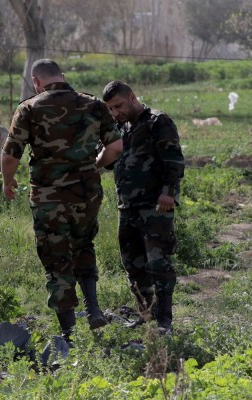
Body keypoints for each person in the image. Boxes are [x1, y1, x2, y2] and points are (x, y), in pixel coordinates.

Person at [1, 59, 123, 343]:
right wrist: (95, 166)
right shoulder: (94, 105)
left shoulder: (29, 108)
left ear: (36, 81)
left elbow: (10, 155)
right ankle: (93, 307)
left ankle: (69, 334)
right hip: (87, 194)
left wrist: (8, 182)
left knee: (57, 260)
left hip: (48, 198)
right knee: (83, 245)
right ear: (62, 77)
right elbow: (116, 147)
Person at [101, 81, 185, 334]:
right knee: (133, 265)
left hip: (154, 205)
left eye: (118, 106)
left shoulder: (157, 121)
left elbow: (173, 158)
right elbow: (107, 160)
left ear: (132, 97)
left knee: (158, 264)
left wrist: (168, 192)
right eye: (111, 109)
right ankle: (145, 315)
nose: (116, 112)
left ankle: (164, 322)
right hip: (127, 207)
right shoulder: (120, 127)